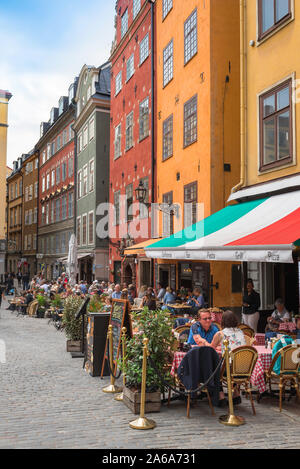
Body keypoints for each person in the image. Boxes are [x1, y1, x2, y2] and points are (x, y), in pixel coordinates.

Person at [210, 310, 246, 406]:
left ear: (222, 321)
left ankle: (221, 396)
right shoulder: (241, 332)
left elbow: (210, 350)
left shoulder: (220, 334)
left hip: (230, 369)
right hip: (244, 368)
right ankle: (236, 394)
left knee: (215, 367)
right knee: (231, 364)